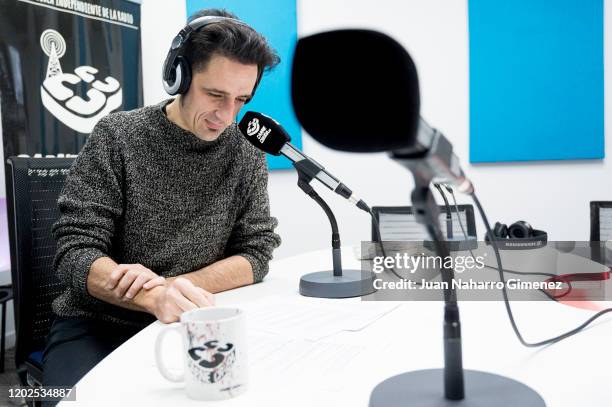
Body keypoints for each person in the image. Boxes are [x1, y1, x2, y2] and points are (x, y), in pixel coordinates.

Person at [42, 8, 281, 393]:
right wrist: (152, 297)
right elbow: (75, 253)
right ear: (179, 77)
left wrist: (172, 289)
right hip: (99, 324)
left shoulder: (246, 152)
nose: (227, 114)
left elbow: (256, 253)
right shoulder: (118, 136)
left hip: (195, 318)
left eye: (241, 99)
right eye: (215, 94)